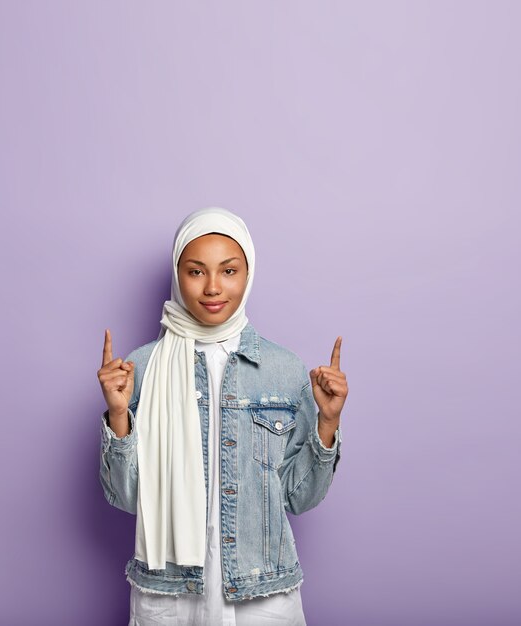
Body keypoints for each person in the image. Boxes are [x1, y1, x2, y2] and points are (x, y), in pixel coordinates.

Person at [98, 207, 347, 625]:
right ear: (178, 276)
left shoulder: (284, 370)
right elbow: (126, 499)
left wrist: (327, 424)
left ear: (248, 274)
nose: (213, 287)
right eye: (196, 272)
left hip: (260, 589)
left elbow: (298, 498)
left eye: (228, 271)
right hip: (172, 591)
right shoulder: (143, 367)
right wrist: (119, 414)